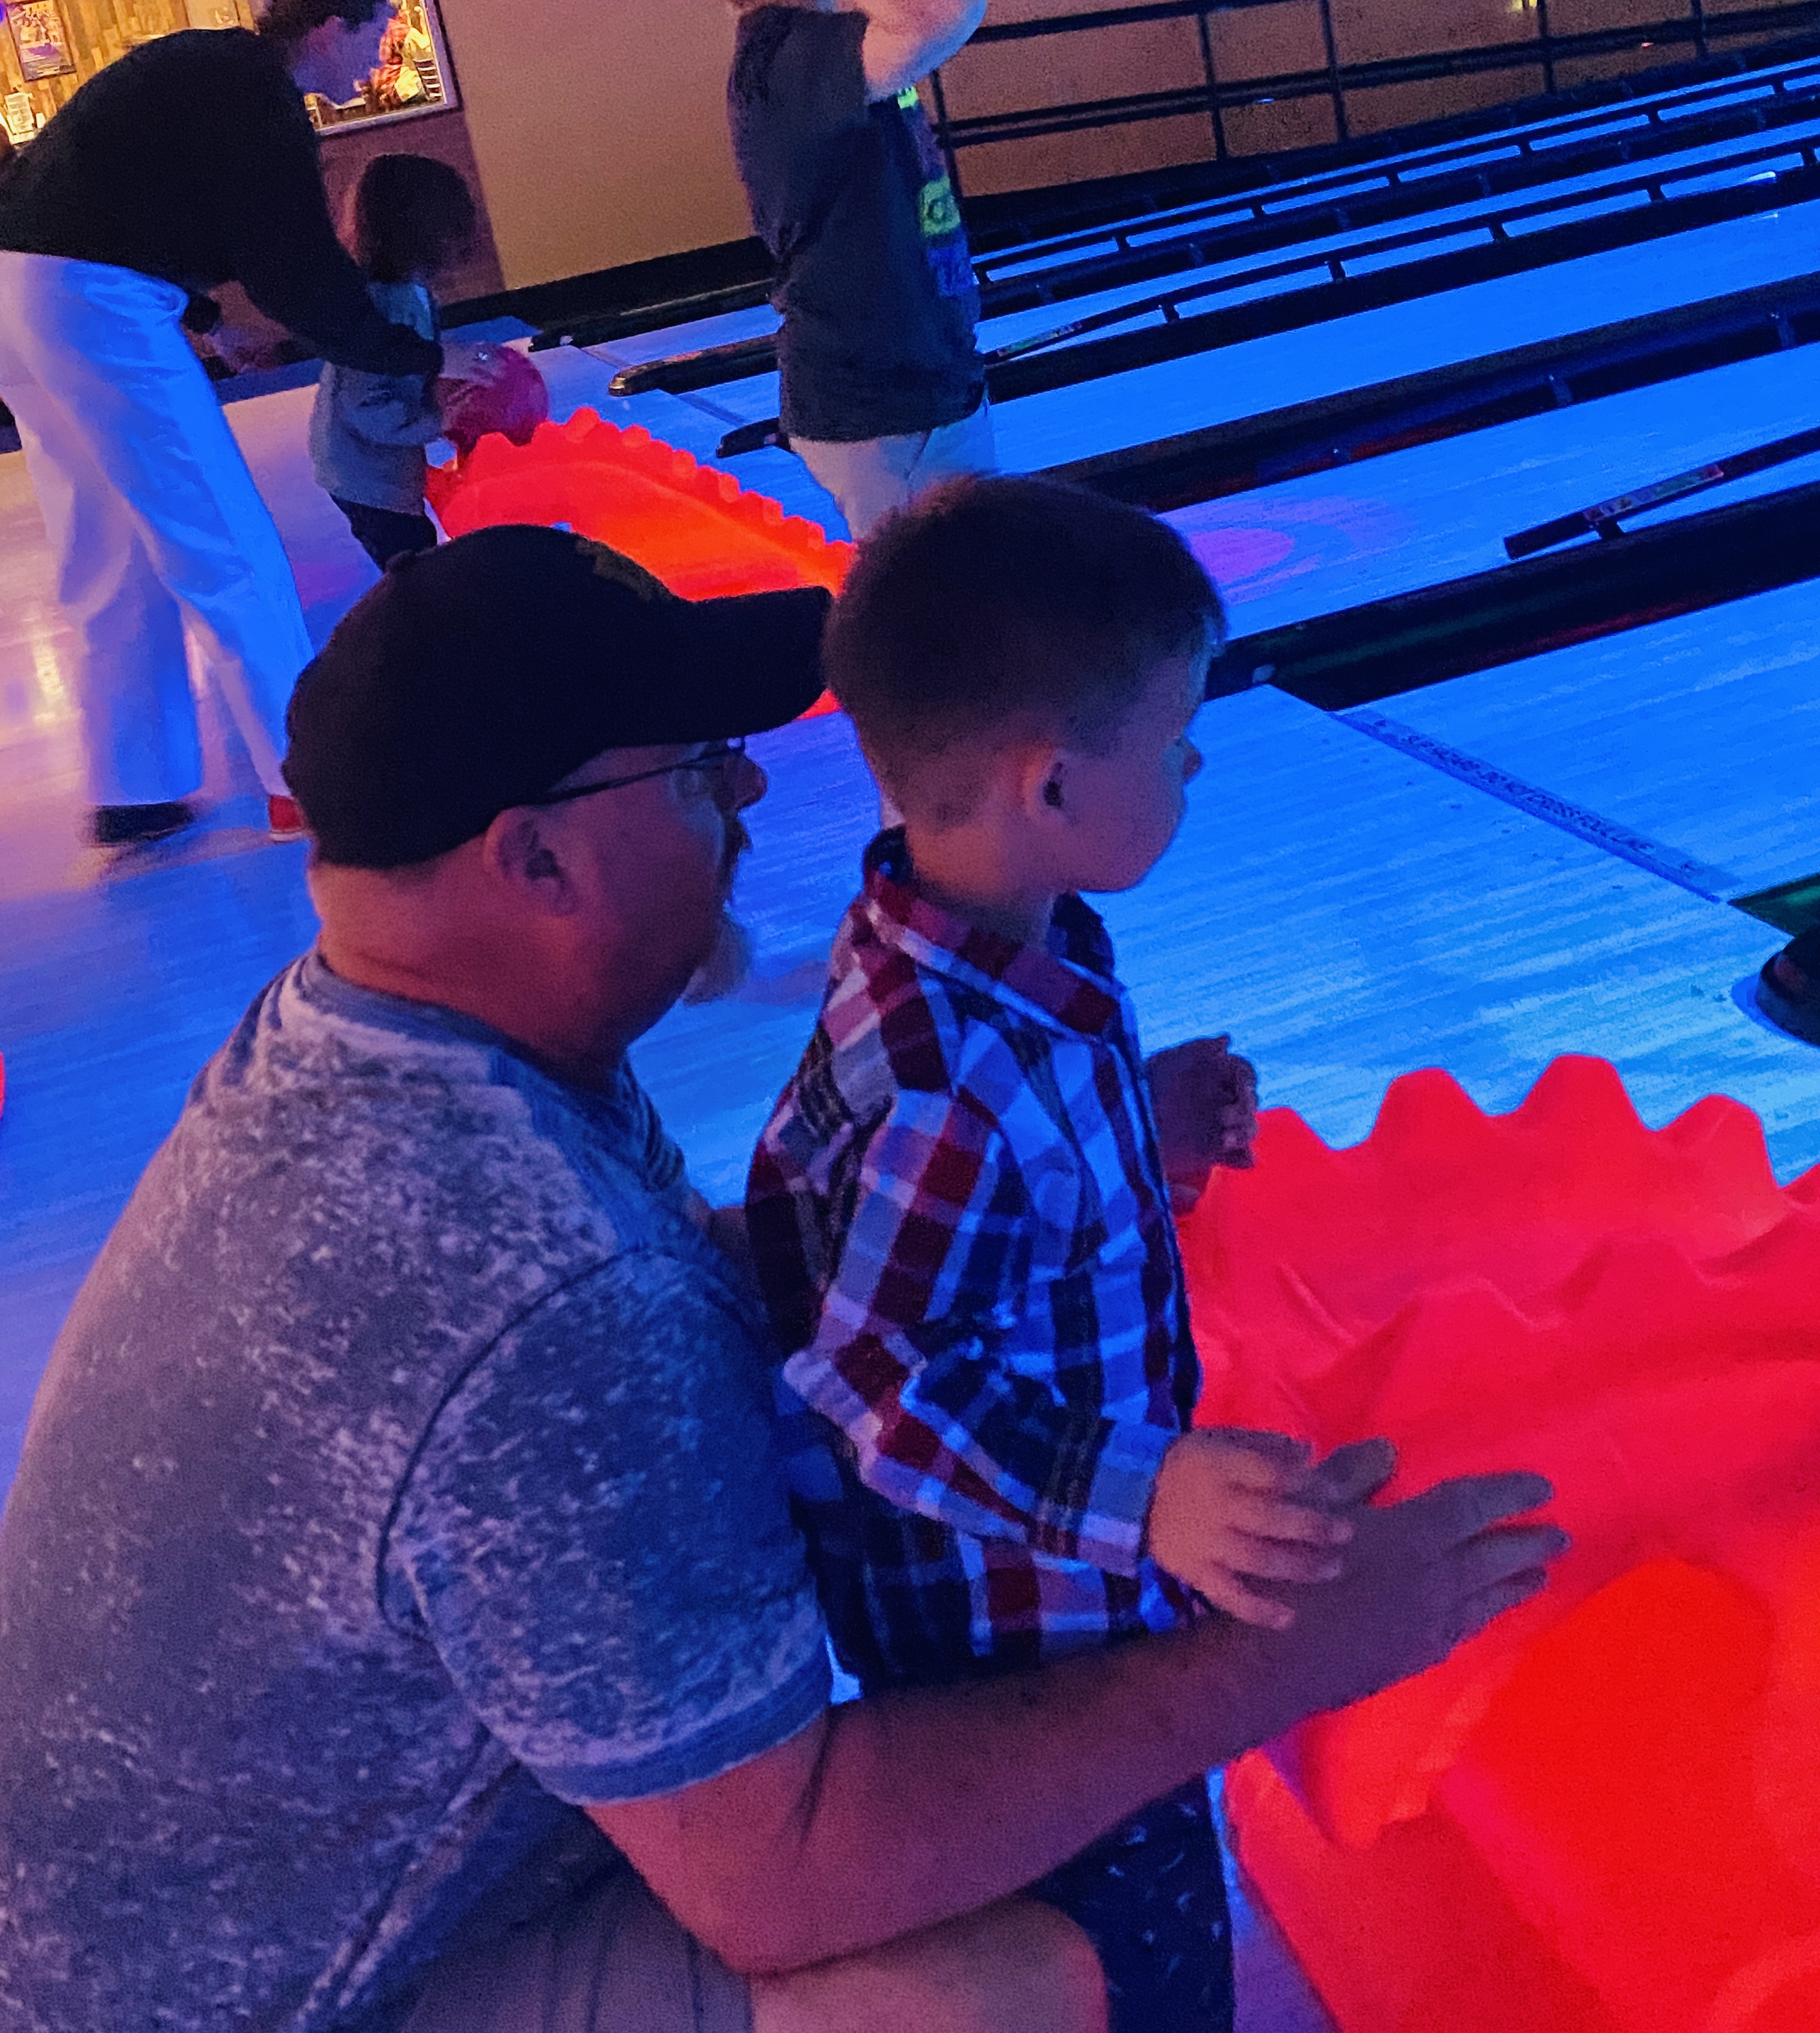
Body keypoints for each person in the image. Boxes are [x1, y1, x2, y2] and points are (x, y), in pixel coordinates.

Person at [0, 524, 1567, 2033]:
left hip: (199, 1907)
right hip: (264, 2003)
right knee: (1010, 1984)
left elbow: (739, 1277)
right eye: (695, 769)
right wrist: (1297, 1645)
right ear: (535, 858)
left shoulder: (378, 1048)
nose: (750, 790)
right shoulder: (523, 1289)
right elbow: (795, 1870)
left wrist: (1056, 1162)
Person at [745, 477, 1314, 2031]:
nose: (1195, 761)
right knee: (1142, 1967)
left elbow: (988, 1222)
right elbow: (876, 1375)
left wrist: (1140, 1118)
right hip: (1024, 1656)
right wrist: (1154, 1496)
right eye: (1176, 736)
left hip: (1075, 1602)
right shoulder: (946, 1081)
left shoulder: (1007, 944)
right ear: (1051, 785)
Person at [0, 0, 496, 849]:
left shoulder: (213, 68)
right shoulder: (257, 97)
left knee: (106, 549)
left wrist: (198, 313)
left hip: (22, 291)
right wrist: (421, 354)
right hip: (91, 301)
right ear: (330, 26)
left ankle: (135, 784)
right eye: (377, 34)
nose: (379, 56)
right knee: (224, 541)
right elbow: (295, 271)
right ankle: (306, 779)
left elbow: (104, 207)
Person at [664, 0, 994, 539]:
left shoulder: (819, 52)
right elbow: (950, 6)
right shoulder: (786, 60)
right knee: (943, 628)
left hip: (907, 392)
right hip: (885, 410)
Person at [311, 154, 479, 571]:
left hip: (381, 466)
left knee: (417, 548)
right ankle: (414, 621)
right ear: (427, 232)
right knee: (410, 559)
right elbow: (366, 405)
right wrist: (437, 421)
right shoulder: (384, 305)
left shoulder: (411, 291)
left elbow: (414, 364)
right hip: (363, 474)